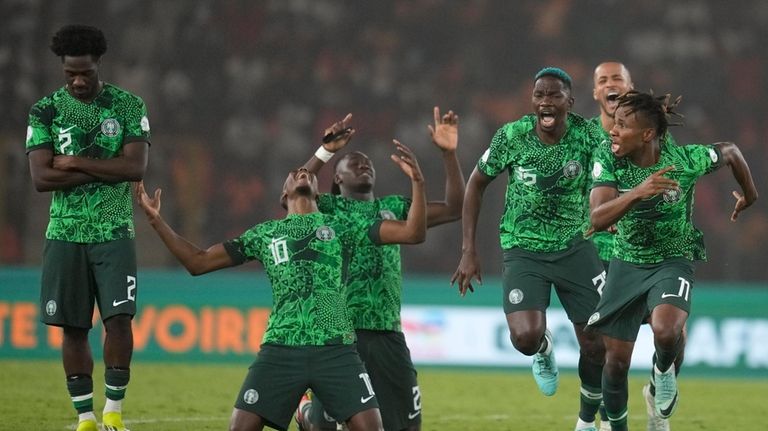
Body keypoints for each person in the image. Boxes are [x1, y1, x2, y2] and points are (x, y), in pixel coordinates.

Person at [136, 138, 427, 431]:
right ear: (284, 192)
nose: (303, 174)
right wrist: (157, 221)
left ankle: (307, 412)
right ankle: (306, 409)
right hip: (281, 347)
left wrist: (417, 182)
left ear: (318, 190)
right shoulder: (265, 234)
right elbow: (198, 262)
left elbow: (413, 233)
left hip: (336, 348)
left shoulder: (344, 227)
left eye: (309, 175)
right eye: (295, 174)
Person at [587, 90, 758, 431]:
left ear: (647, 134)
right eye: (614, 123)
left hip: (672, 259)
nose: (613, 131)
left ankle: (662, 374)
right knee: (616, 363)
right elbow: (596, 218)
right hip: (627, 261)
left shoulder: (684, 161)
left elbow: (731, 152)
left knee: (666, 331)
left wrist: (750, 195)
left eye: (622, 125)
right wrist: (637, 192)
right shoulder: (609, 157)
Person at [451, 67, 606, 431]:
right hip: (524, 249)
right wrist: (468, 249)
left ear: (570, 101)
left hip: (576, 247)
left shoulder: (589, 136)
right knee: (524, 338)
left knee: (597, 344)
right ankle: (543, 349)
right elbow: (476, 184)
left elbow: (614, 169)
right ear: (532, 101)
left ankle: (586, 420)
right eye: (539, 95)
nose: (546, 102)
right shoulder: (512, 136)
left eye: (554, 96)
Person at [295, 107, 464, 431]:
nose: (364, 164)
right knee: (327, 426)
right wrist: (325, 152)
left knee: (406, 426)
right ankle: (307, 414)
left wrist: (449, 155)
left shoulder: (395, 208)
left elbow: (455, 208)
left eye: (368, 163)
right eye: (354, 162)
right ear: (338, 177)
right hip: (340, 330)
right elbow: (292, 192)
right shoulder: (328, 208)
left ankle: (311, 412)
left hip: (388, 330)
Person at [25, 25, 150, 431]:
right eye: (70, 74)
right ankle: (85, 418)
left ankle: (114, 411)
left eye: (85, 73)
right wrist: (105, 171)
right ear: (62, 69)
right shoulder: (45, 111)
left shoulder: (128, 106)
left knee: (119, 321)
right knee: (74, 327)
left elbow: (135, 168)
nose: (78, 81)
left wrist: (75, 162)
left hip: (114, 233)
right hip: (64, 234)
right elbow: (42, 179)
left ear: (99, 65)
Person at [590, 62, 686, 431]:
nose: (611, 85)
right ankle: (597, 418)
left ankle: (656, 396)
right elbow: (593, 210)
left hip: (657, 251)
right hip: (604, 252)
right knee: (610, 356)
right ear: (596, 94)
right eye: (603, 80)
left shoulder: (654, 134)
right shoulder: (587, 137)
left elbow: (677, 179)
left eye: (618, 79)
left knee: (672, 332)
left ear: (630, 88)